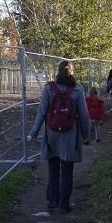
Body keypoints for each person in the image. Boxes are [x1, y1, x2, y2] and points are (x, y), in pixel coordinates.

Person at [27, 59, 90, 213]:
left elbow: (42, 112)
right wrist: (86, 134)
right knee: (67, 169)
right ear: (72, 72)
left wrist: (33, 133)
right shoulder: (78, 89)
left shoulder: (49, 88)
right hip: (70, 136)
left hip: (52, 134)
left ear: (58, 71)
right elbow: (83, 115)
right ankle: (64, 205)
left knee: (53, 167)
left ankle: (52, 201)